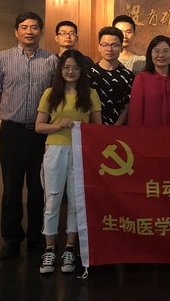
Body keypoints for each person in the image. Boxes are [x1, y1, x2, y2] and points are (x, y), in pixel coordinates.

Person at [0, 12, 58, 259]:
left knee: (38, 187)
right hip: (12, 132)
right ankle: (11, 238)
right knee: (11, 187)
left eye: (34, 27)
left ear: (41, 31)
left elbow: (55, 94)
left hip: (41, 133)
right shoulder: (2, 58)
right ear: (16, 32)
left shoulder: (52, 60)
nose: (29, 31)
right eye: (24, 27)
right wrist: (10, 113)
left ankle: (36, 236)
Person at [35, 50, 102, 274]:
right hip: (54, 149)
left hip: (81, 151)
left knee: (75, 200)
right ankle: (49, 248)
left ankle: (70, 248)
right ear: (60, 70)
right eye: (66, 67)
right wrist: (58, 125)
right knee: (52, 199)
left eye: (75, 67)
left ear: (82, 70)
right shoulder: (50, 94)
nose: (70, 71)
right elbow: (39, 126)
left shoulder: (91, 94)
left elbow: (98, 128)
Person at [128, 35, 170, 126]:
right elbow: (135, 112)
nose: (161, 55)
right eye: (156, 51)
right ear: (150, 54)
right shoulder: (141, 79)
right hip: (149, 132)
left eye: (165, 51)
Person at [89, 27, 135, 125]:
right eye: (105, 45)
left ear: (121, 48)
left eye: (114, 45)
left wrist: (117, 126)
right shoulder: (89, 73)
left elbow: (128, 106)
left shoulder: (128, 76)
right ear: (99, 47)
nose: (109, 49)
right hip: (92, 128)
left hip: (119, 129)